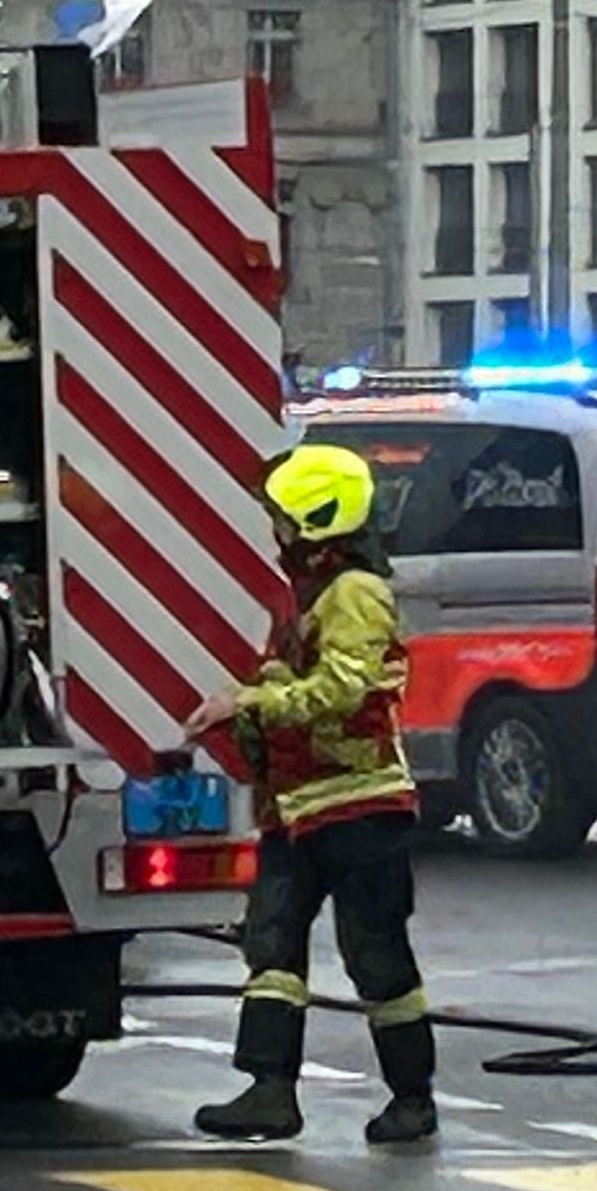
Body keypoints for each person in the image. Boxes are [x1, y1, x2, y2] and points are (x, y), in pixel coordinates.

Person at [192, 445, 436, 1147]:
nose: (276, 531)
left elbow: (345, 690)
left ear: (314, 519)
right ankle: (269, 1092)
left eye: (282, 518)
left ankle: (412, 1099)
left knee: (377, 955)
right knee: (271, 947)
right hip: (300, 811)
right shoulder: (314, 597)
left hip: (361, 809)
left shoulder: (355, 593)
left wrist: (256, 699)